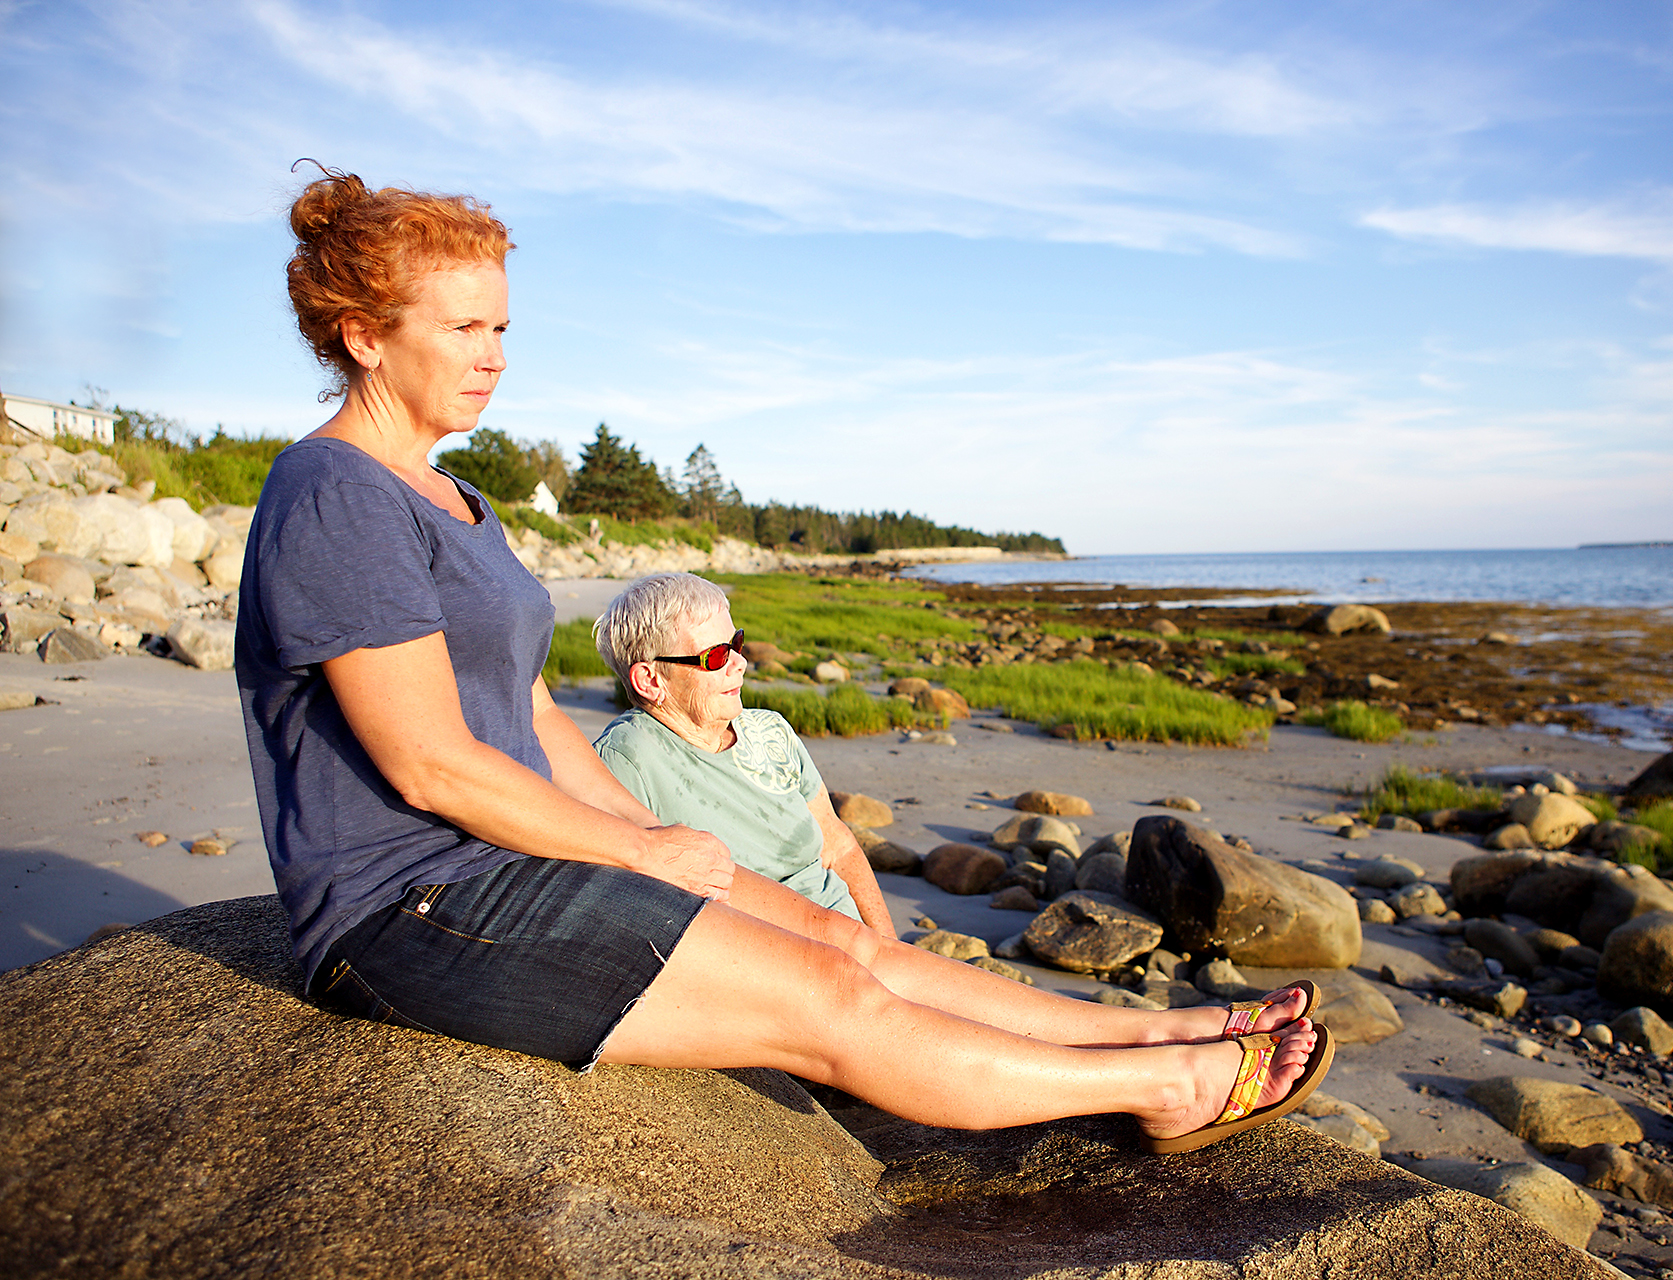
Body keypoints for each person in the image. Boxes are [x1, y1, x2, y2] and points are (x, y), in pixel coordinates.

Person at [236, 163, 1332, 1156]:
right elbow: (432, 766)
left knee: (840, 934)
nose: (495, 356)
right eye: (466, 326)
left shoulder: (455, 497)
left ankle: (1173, 1023)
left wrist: (644, 832)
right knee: (826, 997)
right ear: (364, 333)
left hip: (511, 858)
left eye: (504, 328)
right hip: (411, 905)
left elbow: (528, 714)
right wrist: (639, 856)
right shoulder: (335, 493)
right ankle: (1168, 1085)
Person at [591, 572, 895, 937]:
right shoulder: (625, 761)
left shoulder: (772, 731)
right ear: (651, 681)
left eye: (736, 643)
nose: (740, 663)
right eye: (716, 655)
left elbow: (840, 847)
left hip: (858, 942)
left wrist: (892, 949)